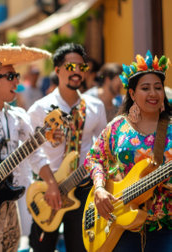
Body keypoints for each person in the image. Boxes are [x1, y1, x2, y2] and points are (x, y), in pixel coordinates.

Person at [0, 44, 60, 252]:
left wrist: (51, 183)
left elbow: (35, 154)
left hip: (11, 201)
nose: (17, 81)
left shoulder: (18, 116)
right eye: (10, 76)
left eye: (16, 75)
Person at [85, 51, 171, 251]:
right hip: (119, 226)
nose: (153, 93)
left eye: (158, 88)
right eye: (145, 88)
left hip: (165, 229)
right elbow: (94, 158)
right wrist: (98, 189)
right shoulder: (117, 127)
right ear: (132, 94)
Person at [27, 43, 107, 251]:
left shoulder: (95, 107)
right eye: (71, 67)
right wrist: (51, 183)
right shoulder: (40, 108)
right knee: (42, 248)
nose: (77, 72)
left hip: (83, 189)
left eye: (82, 67)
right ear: (57, 70)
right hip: (48, 189)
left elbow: (103, 151)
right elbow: (32, 152)